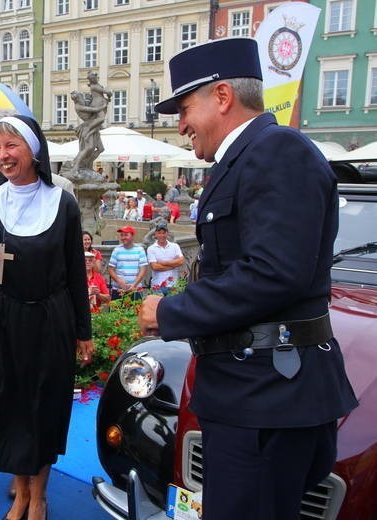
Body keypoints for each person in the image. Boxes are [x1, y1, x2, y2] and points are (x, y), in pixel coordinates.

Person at [138, 38, 357, 520]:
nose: (180, 125)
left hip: (268, 396)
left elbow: (276, 272)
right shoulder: (247, 157)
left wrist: (172, 311)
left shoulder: (277, 150)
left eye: (185, 107)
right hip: (250, 389)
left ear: (221, 97)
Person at [0, 115, 93, 520]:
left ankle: (38, 495)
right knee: (11, 407)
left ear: (33, 149)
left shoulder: (63, 202)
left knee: (45, 407)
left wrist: (84, 330)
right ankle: (21, 493)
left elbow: (76, 270)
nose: (2, 156)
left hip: (51, 319)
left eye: (11, 146)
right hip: (5, 318)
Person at [107, 225, 147, 301]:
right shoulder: (117, 250)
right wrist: (120, 281)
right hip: (118, 289)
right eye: (122, 235)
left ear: (132, 236)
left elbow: (143, 269)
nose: (123, 237)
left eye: (126, 235)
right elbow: (110, 269)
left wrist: (134, 285)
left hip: (136, 289)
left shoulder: (140, 250)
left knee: (135, 312)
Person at [146, 223, 184, 294]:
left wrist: (163, 263)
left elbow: (181, 261)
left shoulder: (175, 246)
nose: (162, 235)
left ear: (167, 233)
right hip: (157, 286)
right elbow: (155, 267)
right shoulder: (151, 248)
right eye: (159, 233)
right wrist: (174, 264)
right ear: (156, 234)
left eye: (164, 233)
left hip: (173, 285)